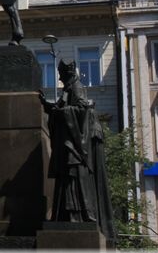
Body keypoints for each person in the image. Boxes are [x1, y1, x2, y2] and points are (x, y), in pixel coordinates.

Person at [40, 60, 115, 241]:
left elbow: (82, 110)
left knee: (74, 178)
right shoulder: (69, 88)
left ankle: (77, 216)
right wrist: (46, 104)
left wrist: (61, 112)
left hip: (75, 146)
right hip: (70, 144)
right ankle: (67, 215)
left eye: (61, 75)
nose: (59, 78)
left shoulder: (76, 87)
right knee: (68, 178)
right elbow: (59, 108)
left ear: (68, 74)